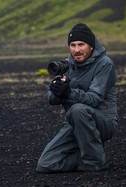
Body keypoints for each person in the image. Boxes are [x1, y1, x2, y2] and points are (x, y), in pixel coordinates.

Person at [36, 23, 118, 172]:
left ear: (91, 46)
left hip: (103, 122)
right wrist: (57, 91)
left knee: (77, 110)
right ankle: (84, 154)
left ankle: (96, 162)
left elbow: (95, 99)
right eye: (72, 45)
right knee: (45, 164)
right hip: (75, 122)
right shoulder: (67, 65)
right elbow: (51, 100)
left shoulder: (105, 64)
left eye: (81, 44)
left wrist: (68, 93)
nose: (76, 50)